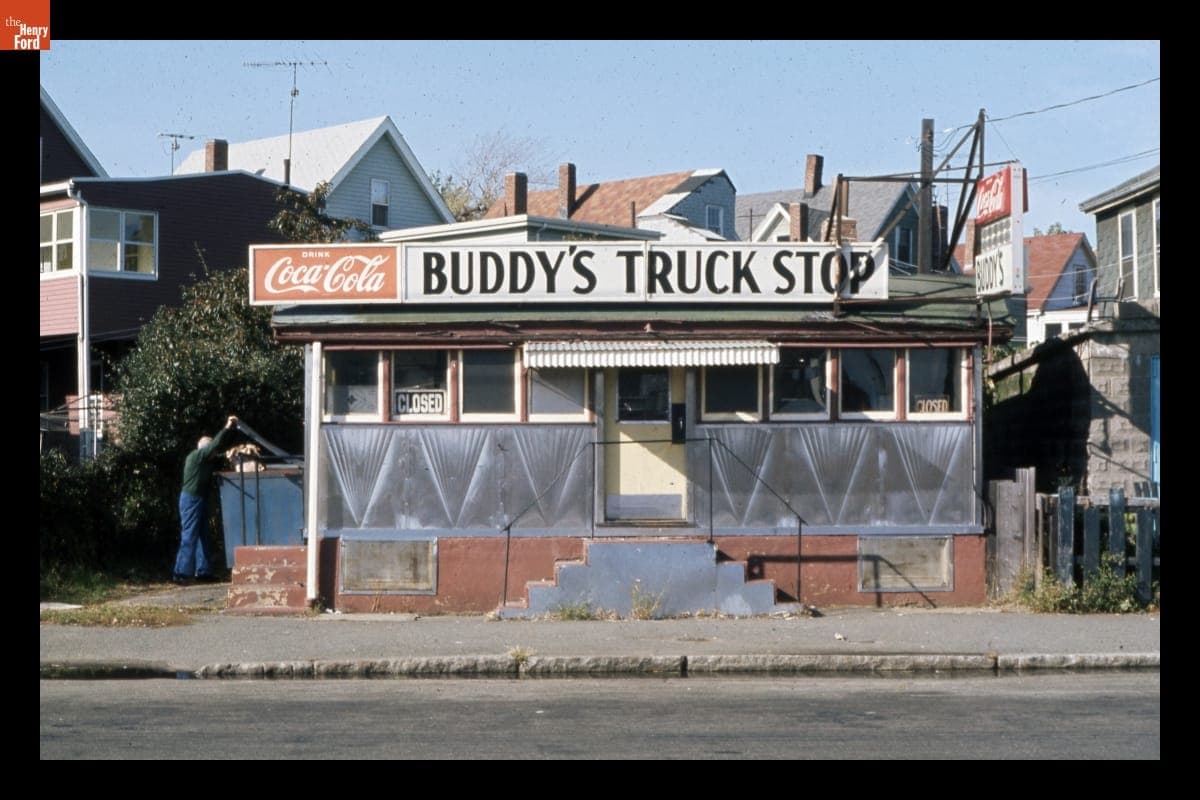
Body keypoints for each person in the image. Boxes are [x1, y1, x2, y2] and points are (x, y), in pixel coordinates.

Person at [173, 415, 239, 584]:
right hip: (191, 499)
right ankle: (181, 573)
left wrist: (229, 454)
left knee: (203, 534)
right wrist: (227, 427)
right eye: (213, 452)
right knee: (189, 534)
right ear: (206, 450)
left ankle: (204, 572)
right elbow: (215, 445)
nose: (215, 454)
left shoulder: (204, 460)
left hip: (199, 499)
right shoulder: (197, 457)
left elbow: (218, 455)